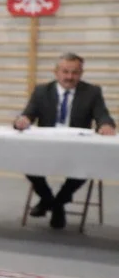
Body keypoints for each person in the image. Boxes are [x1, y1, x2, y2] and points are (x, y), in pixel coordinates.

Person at [13, 52, 115, 228]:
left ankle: (56, 203)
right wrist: (22, 121)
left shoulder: (92, 92)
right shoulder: (41, 91)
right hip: (47, 146)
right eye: (65, 72)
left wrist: (106, 125)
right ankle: (50, 200)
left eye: (75, 73)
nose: (69, 77)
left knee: (87, 167)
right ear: (56, 72)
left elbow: (103, 116)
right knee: (26, 162)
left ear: (81, 73)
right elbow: (28, 114)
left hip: (78, 148)